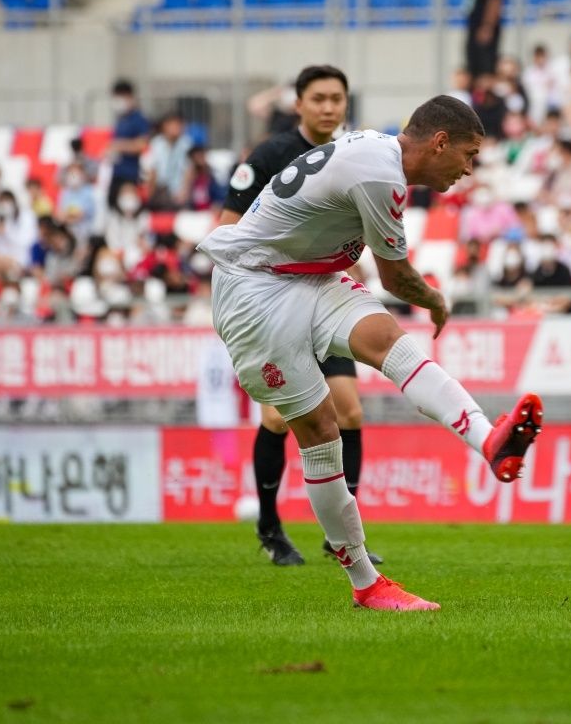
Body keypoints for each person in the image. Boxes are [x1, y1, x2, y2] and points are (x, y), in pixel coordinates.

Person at [198, 95, 543, 610]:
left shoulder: (379, 152)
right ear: (439, 142)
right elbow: (397, 278)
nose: (468, 170)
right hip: (252, 294)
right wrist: (434, 299)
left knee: (386, 341)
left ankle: (490, 441)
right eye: (468, 155)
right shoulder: (381, 176)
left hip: (304, 275)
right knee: (320, 430)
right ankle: (366, 583)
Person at [217, 66, 371, 567]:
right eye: (319, 98)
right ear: (298, 104)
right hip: (271, 303)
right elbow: (226, 229)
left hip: (322, 298)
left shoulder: (352, 155)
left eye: (337, 99)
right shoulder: (268, 156)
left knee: (348, 410)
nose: (329, 107)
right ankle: (270, 528)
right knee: (279, 419)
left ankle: (342, 534)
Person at [109, 80, 150, 206]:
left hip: (131, 173)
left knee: (128, 206)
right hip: (117, 170)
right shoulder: (120, 119)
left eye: (121, 96)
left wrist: (119, 145)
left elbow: (142, 144)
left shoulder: (138, 119)